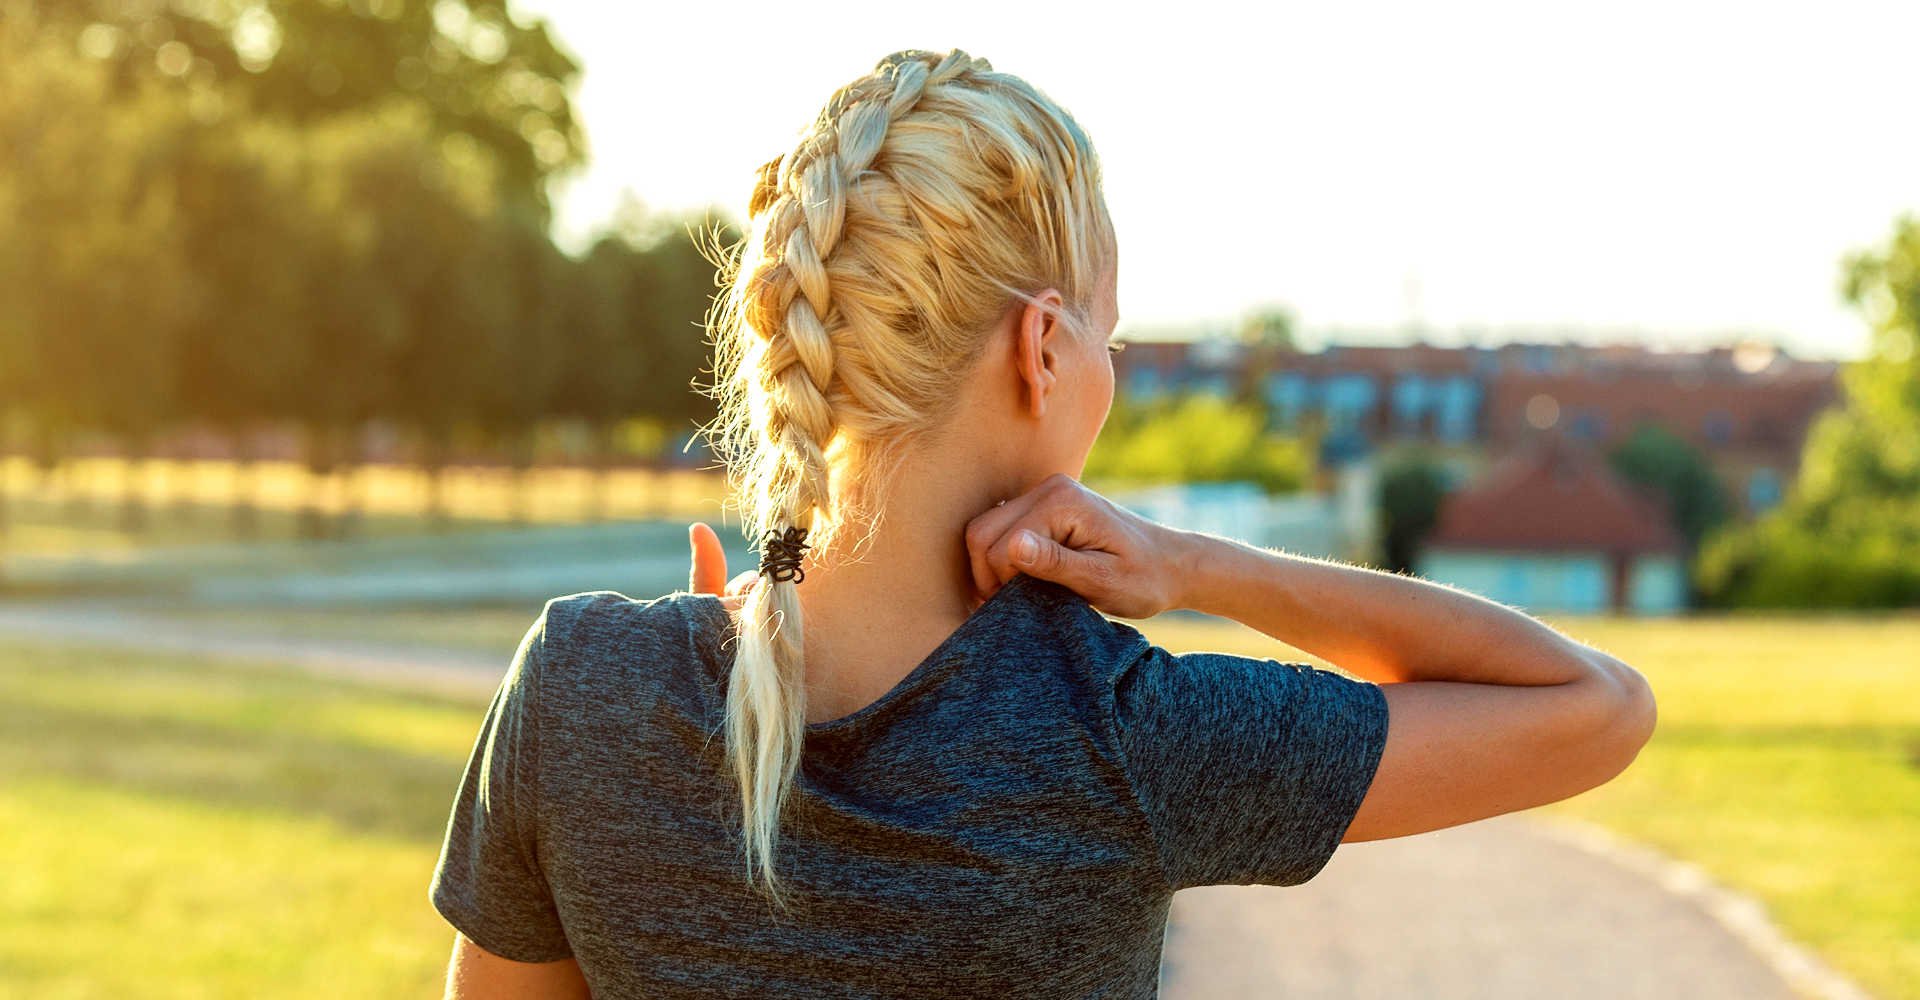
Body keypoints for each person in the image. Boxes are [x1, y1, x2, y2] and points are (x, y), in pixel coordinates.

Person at [429, 48, 1658, 998]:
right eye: (1107, 340)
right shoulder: (1121, 729)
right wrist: (1191, 564)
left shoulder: (581, 688)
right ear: (1045, 345)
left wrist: (679, 707)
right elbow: (1593, 708)